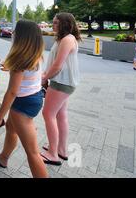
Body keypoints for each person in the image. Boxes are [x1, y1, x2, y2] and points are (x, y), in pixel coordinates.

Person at [0, 20, 48, 178]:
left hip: (23, 103)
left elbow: (12, 92)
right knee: (11, 129)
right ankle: (3, 158)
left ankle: (4, 158)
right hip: (34, 97)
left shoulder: (21, 58)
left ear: (22, 36)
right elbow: (25, 74)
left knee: (32, 152)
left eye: (15, 31)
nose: (12, 33)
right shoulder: (35, 54)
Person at [41, 12, 81, 166]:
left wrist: (44, 78)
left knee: (48, 114)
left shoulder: (67, 39)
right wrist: (46, 75)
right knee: (60, 115)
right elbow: (56, 64)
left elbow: (58, 65)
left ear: (65, 24)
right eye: (53, 22)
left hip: (61, 82)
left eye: (56, 22)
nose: (53, 25)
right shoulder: (65, 39)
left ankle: (52, 154)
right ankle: (61, 150)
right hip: (64, 82)